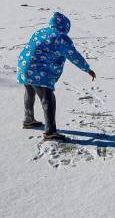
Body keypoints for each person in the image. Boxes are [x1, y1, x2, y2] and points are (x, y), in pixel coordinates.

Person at [16, 12, 96, 141]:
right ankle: (50, 131)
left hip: (24, 66)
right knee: (47, 99)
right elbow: (73, 55)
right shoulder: (61, 37)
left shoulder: (41, 31)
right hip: (39, 70)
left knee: (29, 92)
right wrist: (87, 69)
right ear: (65, 27)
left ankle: (28, 119)